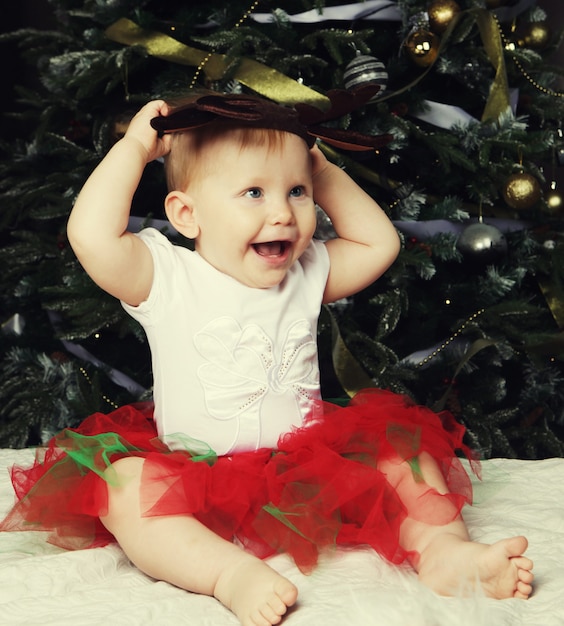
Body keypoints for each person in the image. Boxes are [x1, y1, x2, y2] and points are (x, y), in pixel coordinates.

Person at [1, 92, 533, 626]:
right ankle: (225, 573)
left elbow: (380, 244)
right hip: (195, 478)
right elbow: (89, 234)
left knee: (402, 453)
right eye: (253, 192)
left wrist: (320, 169)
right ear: (186, 214)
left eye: (296, 191)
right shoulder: (165, 278)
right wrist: (137, 147)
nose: (282, 212)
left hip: (308, 474)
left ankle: (442, 551)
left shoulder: (304, 272)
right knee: (121, 489)